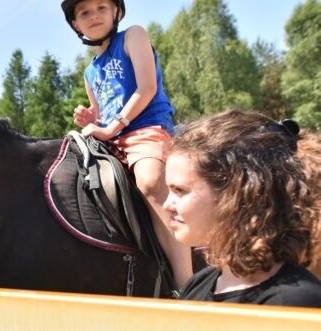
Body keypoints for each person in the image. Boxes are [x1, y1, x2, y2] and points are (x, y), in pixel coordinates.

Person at [61, 0, 192, 288]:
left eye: (101, 7)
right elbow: (101, 111)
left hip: (145, 128)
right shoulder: (89, 72)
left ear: (116, 12)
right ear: (75, 24)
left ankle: (187, 284)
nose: (94, 15)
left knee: (149, 181)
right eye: (84, 12)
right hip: (113, 137)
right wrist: (89, 118)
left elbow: (147, 89)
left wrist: (110, 128)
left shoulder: (133, 36)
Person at [164, 110, 321, 307]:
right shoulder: (199, 284)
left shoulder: (295, 300)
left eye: (180, 190)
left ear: (236, 194)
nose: (166, 205)